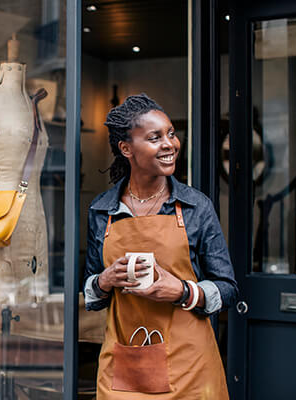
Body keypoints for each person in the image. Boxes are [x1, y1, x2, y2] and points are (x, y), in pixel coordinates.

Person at [83, 94, 238, 399]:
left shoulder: (196, 207)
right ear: (126, 148)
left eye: (170, 133)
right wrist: (104, 280)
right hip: (126, 362)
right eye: (155, 137)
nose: (169, 144)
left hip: (189, 366)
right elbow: (90, 290)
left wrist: (182, 291)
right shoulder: (103, 210)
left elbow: (228, 288)